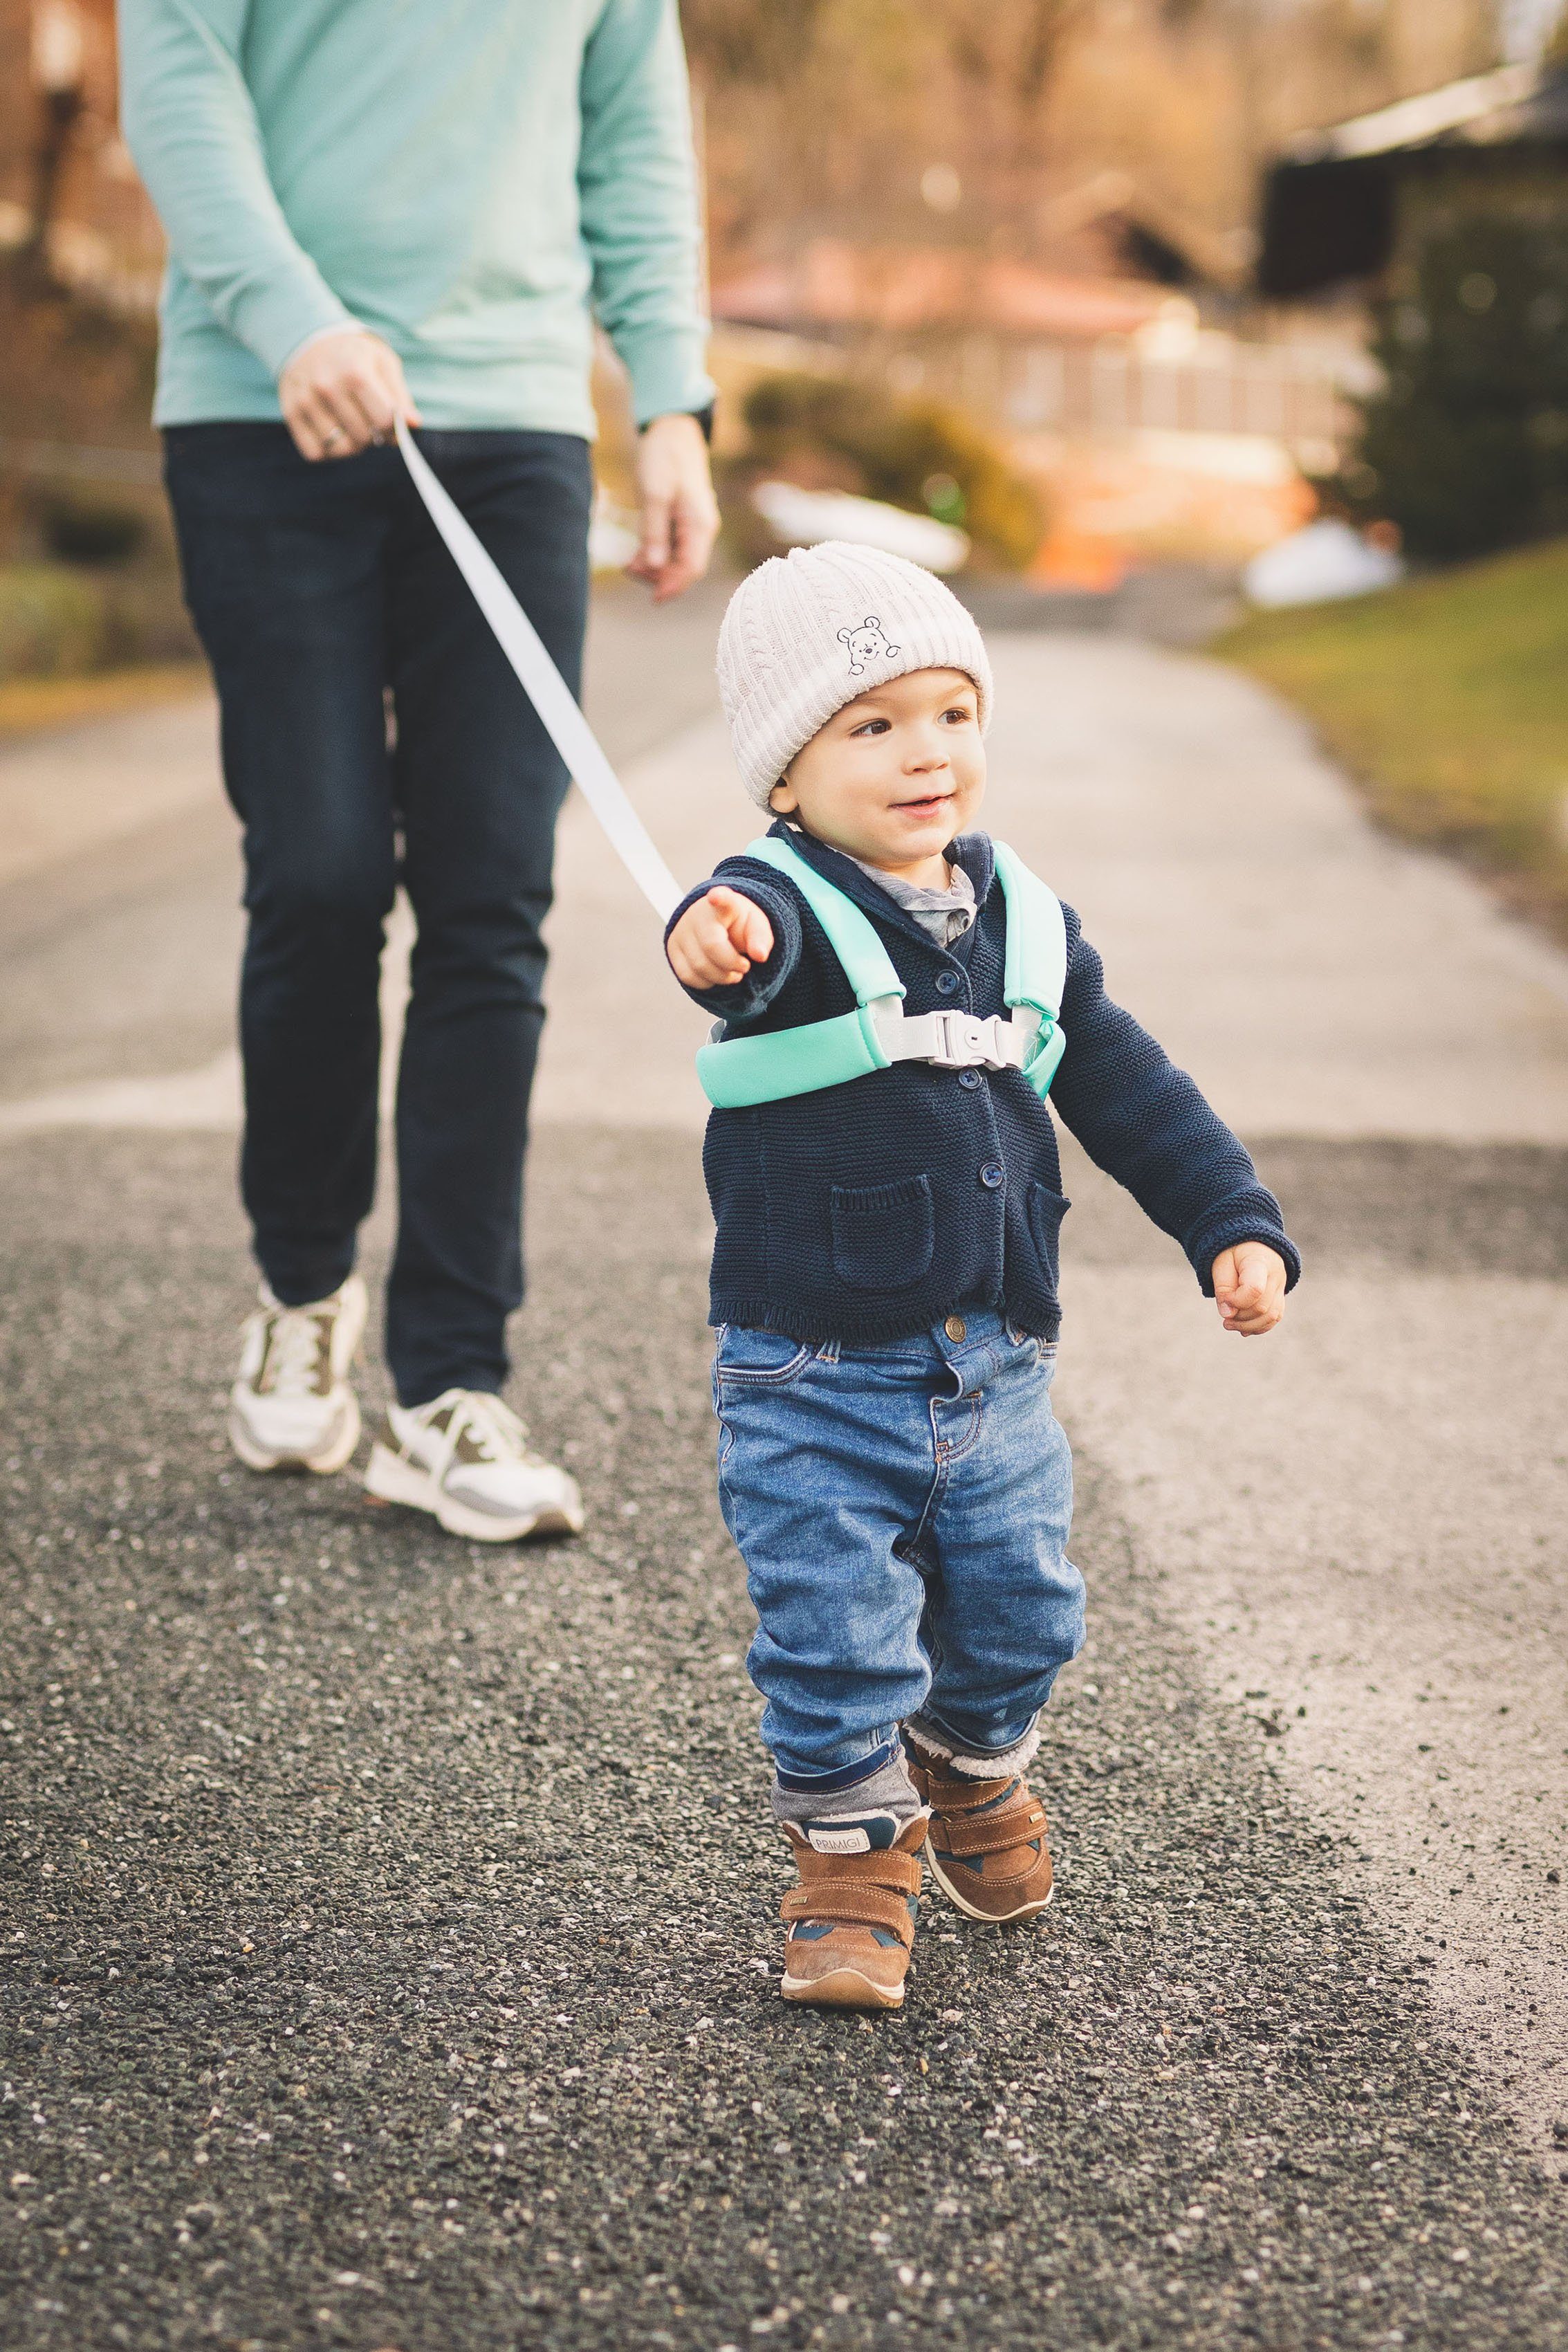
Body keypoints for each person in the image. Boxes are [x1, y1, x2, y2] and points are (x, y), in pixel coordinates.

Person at [664, 542, 1298, 2010]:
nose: (925, 752)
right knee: (831, 1633)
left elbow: (1131, 1086)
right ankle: (848, 1861)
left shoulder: (1023, 918)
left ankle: (964, 1761)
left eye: (952, 711)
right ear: (785, 775)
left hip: (996, 1359)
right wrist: (708, 936)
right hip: (811, 1366)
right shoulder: (775, 908)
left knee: (1025, 1615)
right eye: (870, 726)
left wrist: (1230, 1217)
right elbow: (720, 953)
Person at [118, 0, 719, 1540]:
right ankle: (304, 1285)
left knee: (491, 890)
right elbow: (178, 81)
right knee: (318, 870)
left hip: (512, 422)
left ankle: (450, 1380)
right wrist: (288, 316)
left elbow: (634, 141)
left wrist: (669, 399)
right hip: (266, 408)